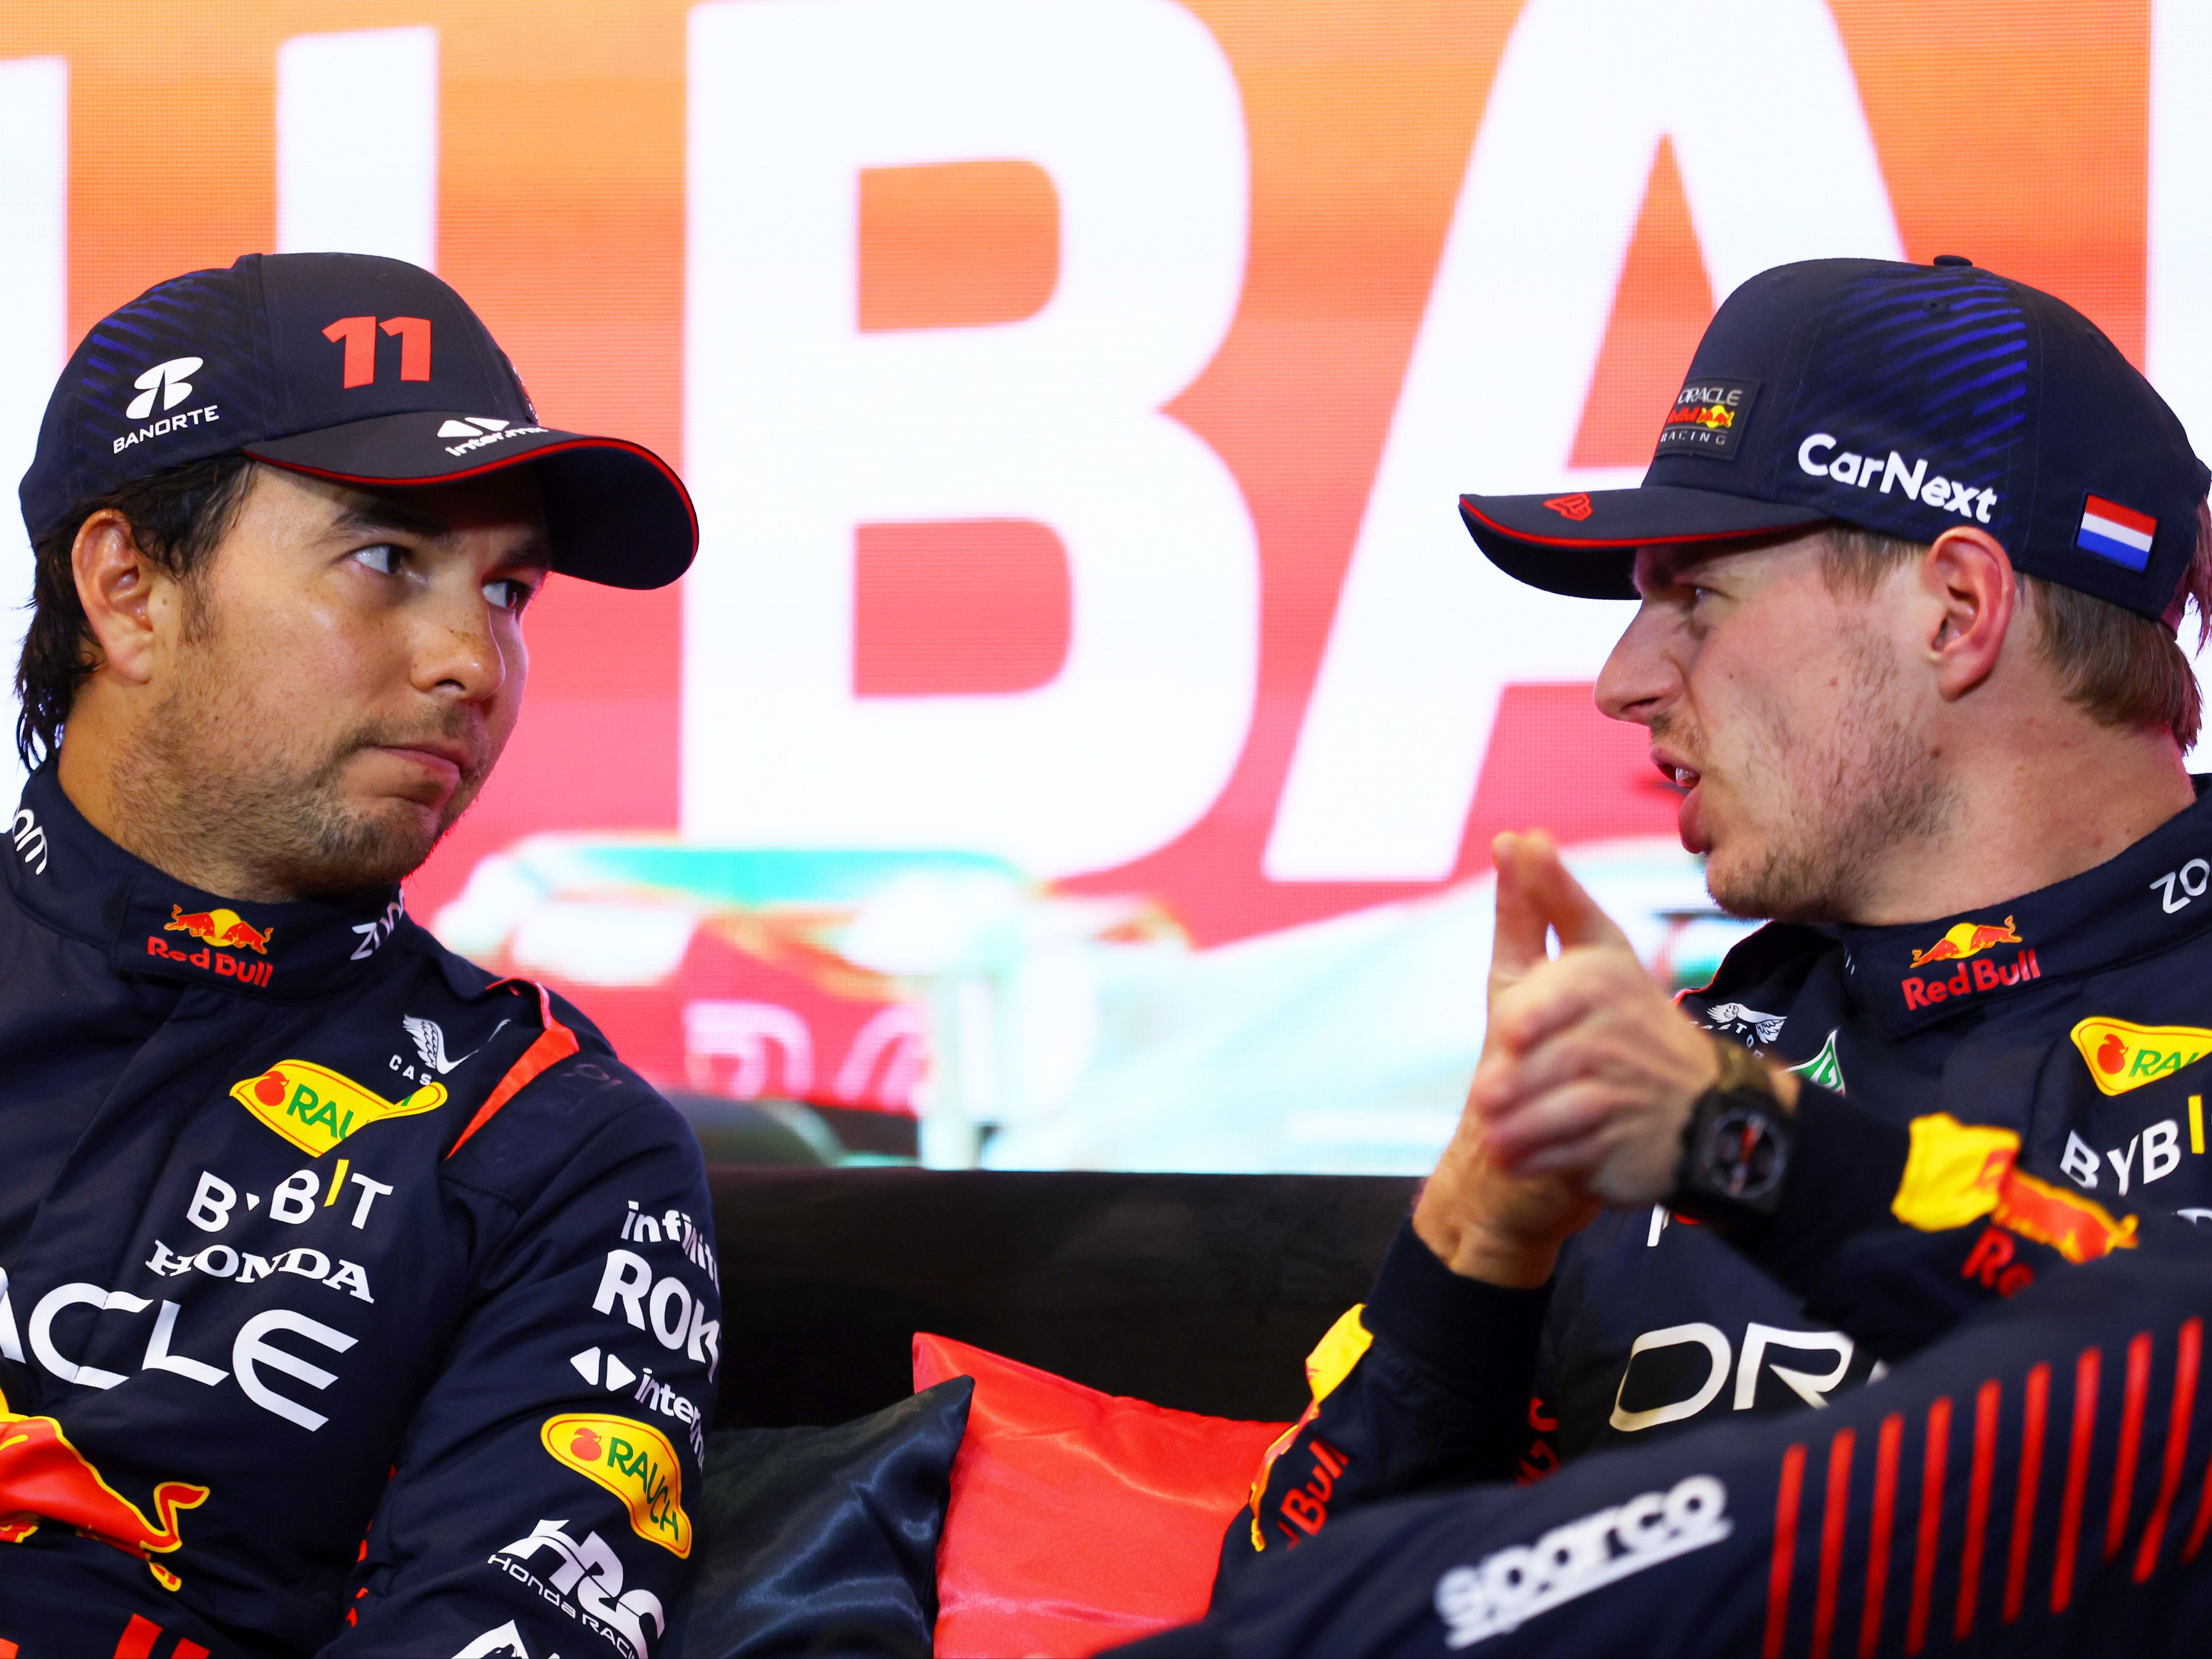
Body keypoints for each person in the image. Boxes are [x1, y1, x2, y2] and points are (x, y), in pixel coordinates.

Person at [1171, 255, 2212, 1650]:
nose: (1622, 680)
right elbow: (1284, 1615)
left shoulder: (1702, 1107)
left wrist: (1751, 1152)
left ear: (1954, 612)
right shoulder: (1688, 1059)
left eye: (1698, 599)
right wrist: (1479, 1235)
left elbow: (2161, 1398)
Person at [0, 253, 714, 1659]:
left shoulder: (550, 1142)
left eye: (508, 591)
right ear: (129, 588)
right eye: (388, 560)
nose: (474, 662)